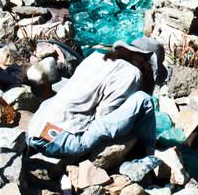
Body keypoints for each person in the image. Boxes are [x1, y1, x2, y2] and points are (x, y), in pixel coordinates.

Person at [25, 36, 167, 161]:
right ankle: (149, 154)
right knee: (144, 100)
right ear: (147, 64)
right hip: (63, 141)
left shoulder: (94, 58)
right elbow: (104, 116)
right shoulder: (132, 73)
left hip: (33, 132)